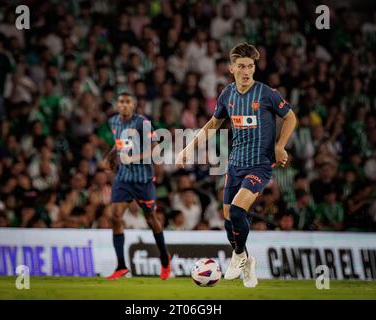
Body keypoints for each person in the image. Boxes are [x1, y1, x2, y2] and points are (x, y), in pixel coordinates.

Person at [176, 43, 296, 287]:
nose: (246, 71)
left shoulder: (266, 93)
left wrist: (280, 145)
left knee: (239, 210)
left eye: (250, 66)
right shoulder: (227, 95)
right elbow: (213, 124)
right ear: (231, 69)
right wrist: (189, 148)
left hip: (260, 165)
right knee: (228, 220)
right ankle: (247, 259)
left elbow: (290, 117)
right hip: (235, 165)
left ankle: (239, 256)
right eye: (241, 66)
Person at [99, 92, 171, 280]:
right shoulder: (113, 122)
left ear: (134, 105)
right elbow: (119, 144)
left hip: (143, 180)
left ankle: (164, 257)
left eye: (127, 102)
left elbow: (155, 149)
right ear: (117, 104)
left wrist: (134, 157)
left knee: (151, 219)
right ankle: (121, 266)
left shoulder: (142, 123)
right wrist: (110, 157)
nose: (123, 105)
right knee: (115, 216)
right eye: (120, 101)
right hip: (123, 178)